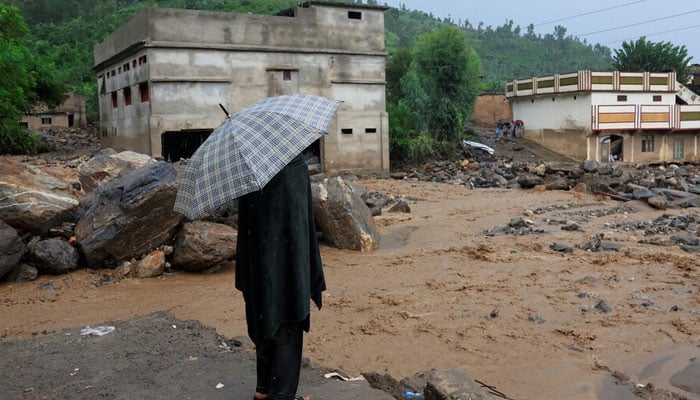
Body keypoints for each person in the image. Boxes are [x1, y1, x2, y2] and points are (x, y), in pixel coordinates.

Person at [235, 153, 326, 400]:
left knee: (263, 313)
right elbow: (302, 222)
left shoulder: (249, 168)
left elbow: (247, 224)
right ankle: (281, 394)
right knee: (288, 317)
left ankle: (263, 388)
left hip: (258, 262)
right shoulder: (294, 165)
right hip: (288, 264)